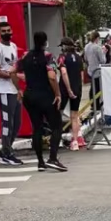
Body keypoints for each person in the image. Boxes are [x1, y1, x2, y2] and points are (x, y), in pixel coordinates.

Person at [17, 32, 68, 173]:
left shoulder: (25, 56)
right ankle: (53, 158)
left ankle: (40, 162)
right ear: (45, 42)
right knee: (56, 126)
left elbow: (12, 71)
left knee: (37, 128)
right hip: (45, 95)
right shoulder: (47, 56)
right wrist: (57, 93)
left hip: (30, 95)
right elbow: (51, 76)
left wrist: (18, 89)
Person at [0, 19, 23, 166]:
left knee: (16, 123)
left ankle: (6, 150)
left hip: (13, 90)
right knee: (7, 123)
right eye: (3, 31)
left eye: (8, 30)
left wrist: (18, 88)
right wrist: (11, 75)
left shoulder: (14, 46)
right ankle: (7, 153)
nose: (6, 33)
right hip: (4, 91)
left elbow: (14, 67)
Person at [58, 37, 86, 151]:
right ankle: (75, 141)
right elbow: (82, 74)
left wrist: (69, 89)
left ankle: (57, 139)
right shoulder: (79, 57)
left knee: (58, 114)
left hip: (64, 88)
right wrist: (78, 87)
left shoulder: (62, 57)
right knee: (74, 115)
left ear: (64, 46)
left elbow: (63, 72)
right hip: (77, 88)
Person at [83, 31, 107, 111]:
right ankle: (97, 105)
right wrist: (104, 52)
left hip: (90, 70)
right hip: (97, 71)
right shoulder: (97, 47)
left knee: (92, 88)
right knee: (97, 88)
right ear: (97, 38)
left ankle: (92, 104)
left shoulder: (86, 47)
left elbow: (85, 58)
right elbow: (103, 60)